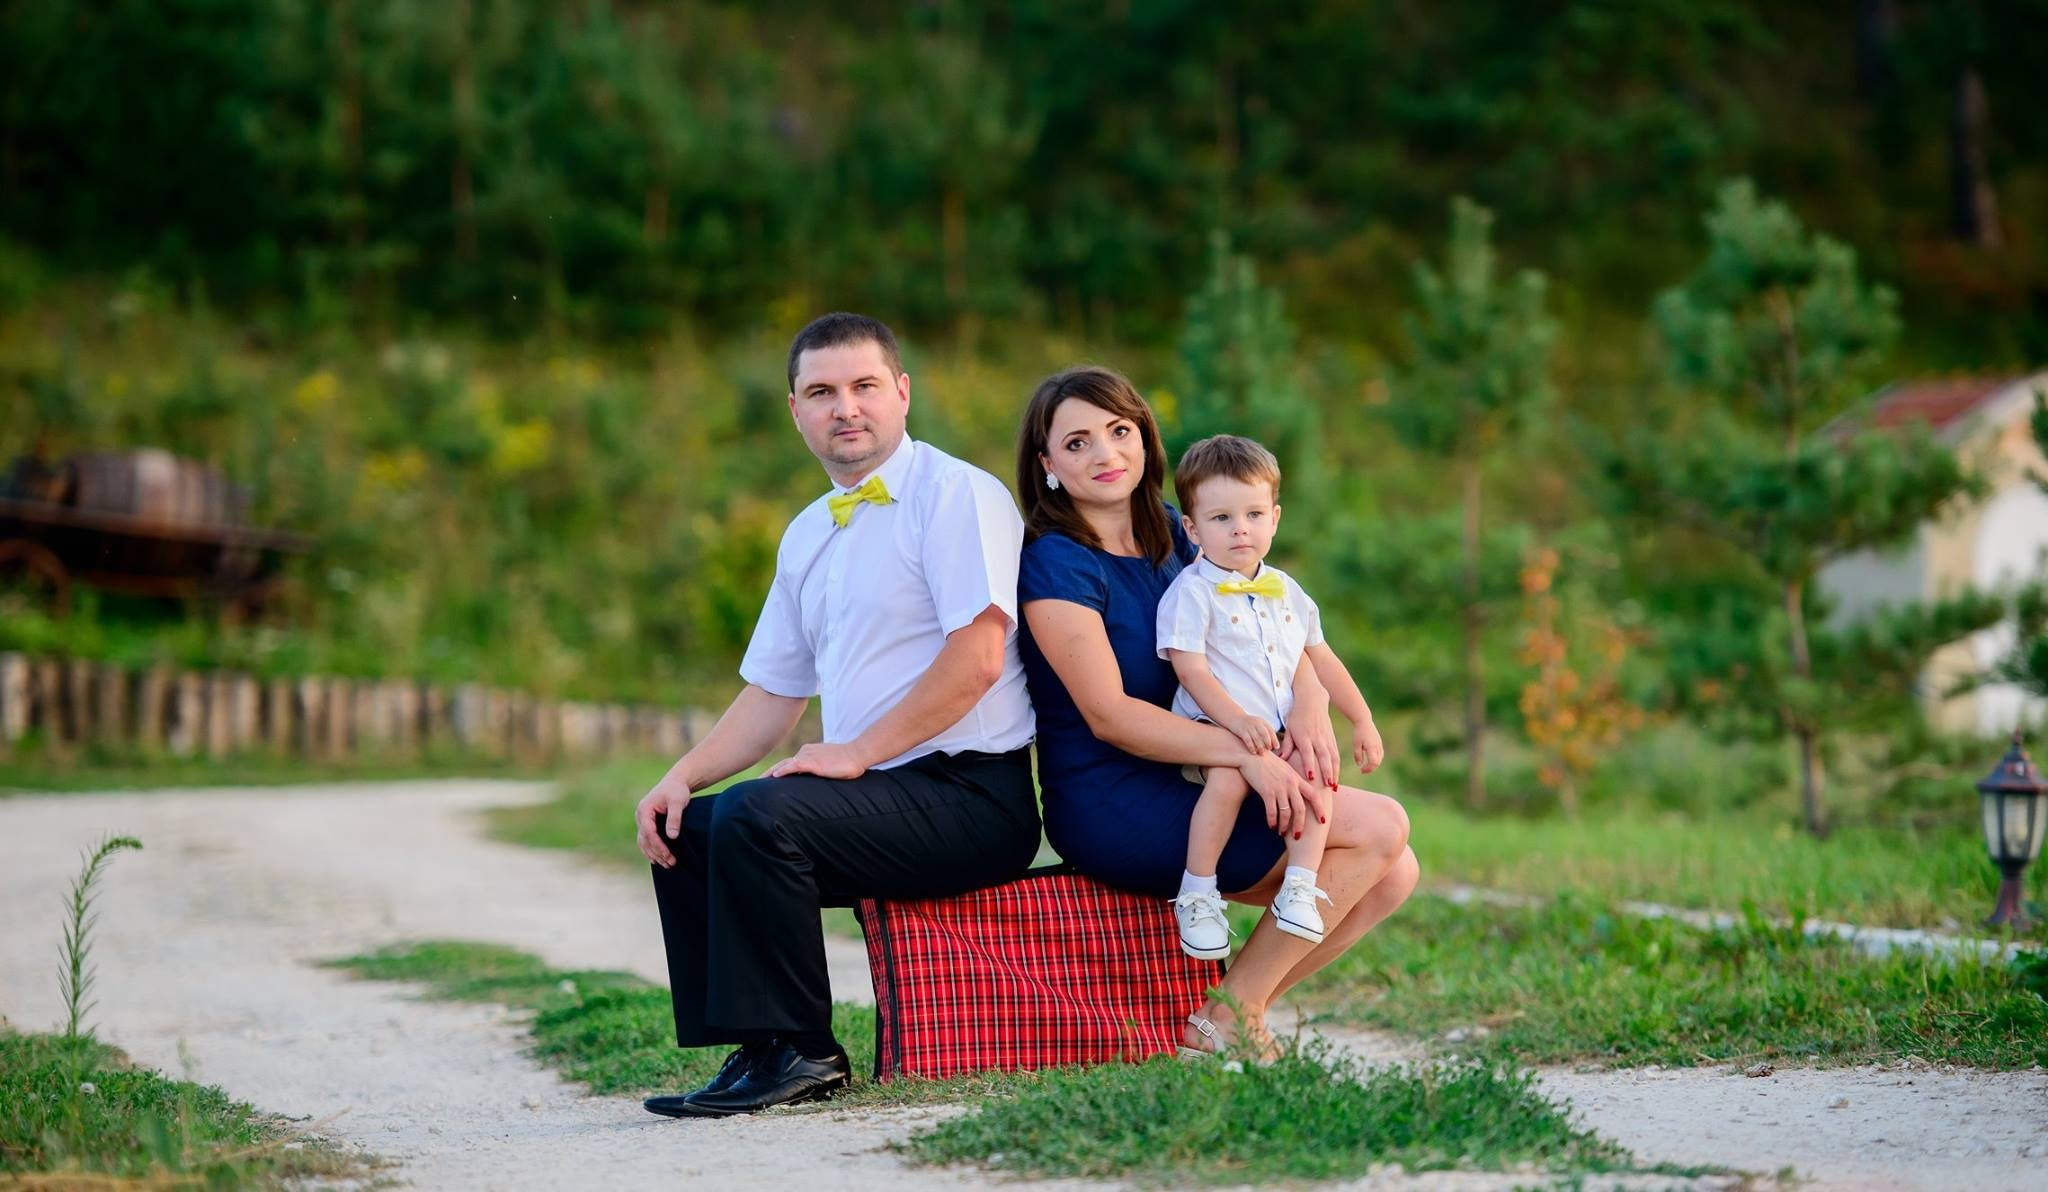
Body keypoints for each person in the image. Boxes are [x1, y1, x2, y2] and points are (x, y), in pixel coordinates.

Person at [634, 313, 1039, 1118]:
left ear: (902, 394)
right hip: (873, 799)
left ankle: (809, 1052)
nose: (844, 408)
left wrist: (855, 752)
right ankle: (760, 1049)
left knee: (759, 815)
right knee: (696, 827)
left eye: (863, 387)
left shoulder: (957, 494)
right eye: (822, 392)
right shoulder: (808, 532)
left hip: (972, 798)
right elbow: (775, 694)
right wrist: (679, 778)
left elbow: (979, 658)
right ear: (796, 411)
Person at [1014, 365, 1417, 1059]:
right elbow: (1109, 715)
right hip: (1115, 793)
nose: (1105, 454)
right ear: (1048, 465)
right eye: (1077, 443)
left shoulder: (1183, 533)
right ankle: (1230, 1015)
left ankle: (1233, 1010)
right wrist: (1250, 757)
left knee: (1395, 874)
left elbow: (1273, 628)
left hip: (1205, 769)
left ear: (1144, 438)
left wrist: (1314, 706)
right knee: (1380, 827)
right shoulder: (1055, 564)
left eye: (1118, 431)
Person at [1155, 434, 1384, 960]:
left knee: (1318, 767)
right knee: (1231, 778)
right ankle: (1198, 890)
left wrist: (1363, 719)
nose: (1240, 529)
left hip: (1279, 731)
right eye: (1221, 518)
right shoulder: (1191, 592)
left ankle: (1300, 884)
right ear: (1192, 529)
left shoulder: (1289, 590)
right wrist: (1235, 722)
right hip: (1213, 729)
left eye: (1254, 514)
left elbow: (1323, 661)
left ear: (1275, 519)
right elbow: (1189, 670)